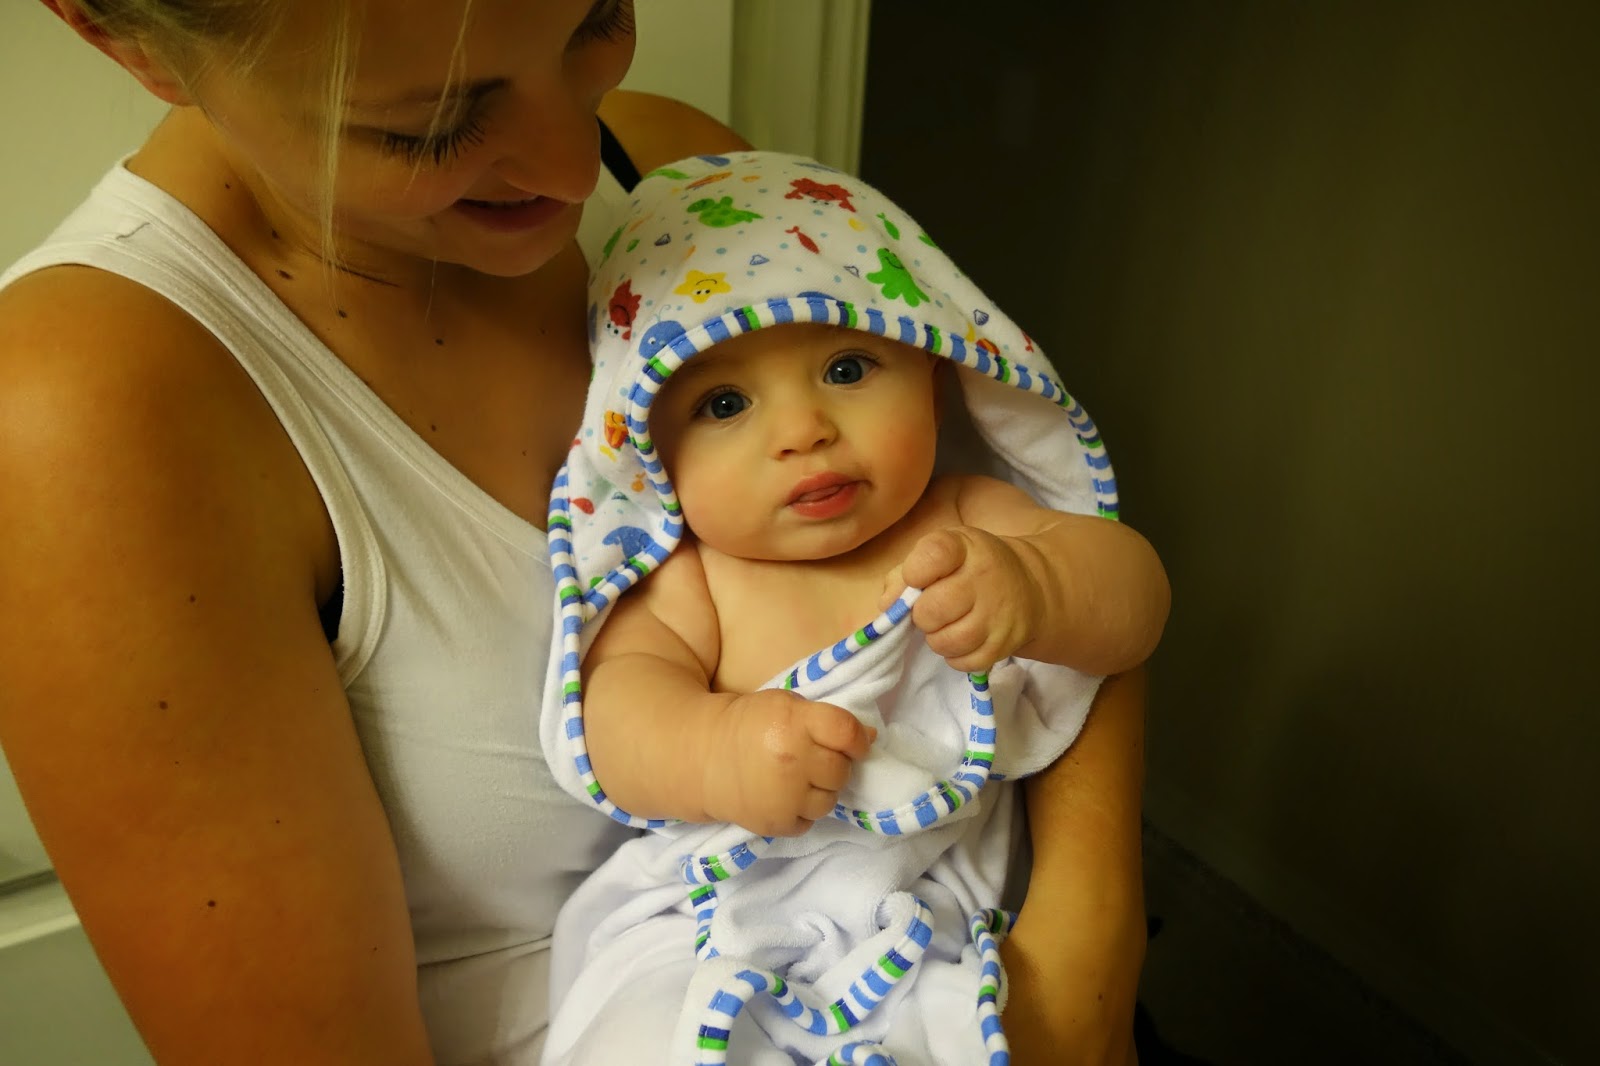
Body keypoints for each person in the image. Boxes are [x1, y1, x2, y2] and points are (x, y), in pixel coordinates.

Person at [0, 2, 1150, 1064]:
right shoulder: (90, 409)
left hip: (974, 959)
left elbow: (1055, 529)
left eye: (597, 16)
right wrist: (723, 750)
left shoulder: (695, 185)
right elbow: (630, 706)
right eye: (430, 125)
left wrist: (1080, 959)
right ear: (117, 34)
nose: (569, 165)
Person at [538, 151, 1169, 1065]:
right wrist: (717, 749)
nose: (805, 431)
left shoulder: (968, 518)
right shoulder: (693, 578)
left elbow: (1137, 598)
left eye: (847, 366)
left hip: (933, 910)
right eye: (724, 402)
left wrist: (1040, 586)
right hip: (723, 912)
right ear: (651, 458)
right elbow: (612, 714)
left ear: (936, 379)